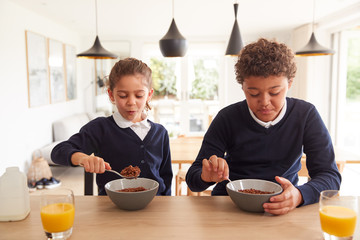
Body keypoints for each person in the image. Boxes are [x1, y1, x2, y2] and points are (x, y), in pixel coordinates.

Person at [185, 38, 341, 215]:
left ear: (289, 83)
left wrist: (298, 195)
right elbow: (193, 179)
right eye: (254, 93)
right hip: (230, 207)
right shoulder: (226, 118)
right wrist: (206, 176)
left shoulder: (305, 115)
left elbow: (330, 176)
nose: (265, 102)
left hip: (283, 206)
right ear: (243, 87)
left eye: (274, 92)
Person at [51, 57, 173, 196]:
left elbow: (166, 177)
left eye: (139, 95)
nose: (131, 102)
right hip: (112, 207)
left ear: (149, 95)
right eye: (122, 95)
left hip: (155, 206)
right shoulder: (100, 128)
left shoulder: (160, 133)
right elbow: (58, 152)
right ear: (111, 95)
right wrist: (83, 158)